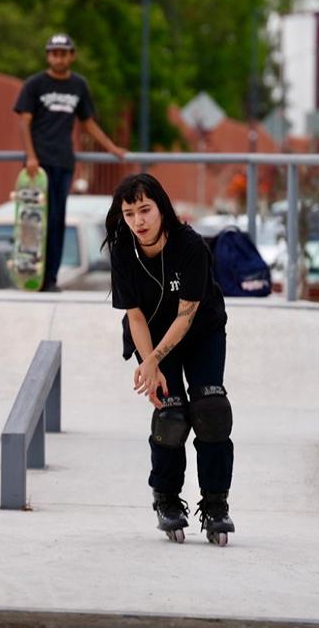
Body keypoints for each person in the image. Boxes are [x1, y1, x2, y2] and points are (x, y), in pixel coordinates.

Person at [103, 173, 235, 544]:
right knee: (171, 414)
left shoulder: (190, 245)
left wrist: (152, 361)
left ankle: (215, 505)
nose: (138, 221)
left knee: (210, 408)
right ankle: (166, 499)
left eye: (145, 210)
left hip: (200, 332)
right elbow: (135, 316)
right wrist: (150, 363)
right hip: (150, 338)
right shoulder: (122, 251)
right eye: (129, 214)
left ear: (162, 208)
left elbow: (187, 313)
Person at [15, 34, 126, 292]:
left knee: (56, 221)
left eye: (63, 53)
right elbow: (25, 122)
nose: (59, 57)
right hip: (37, 165)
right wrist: (30, 156)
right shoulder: (34, 84)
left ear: (72, 56)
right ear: (48, 56)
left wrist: (111, 148)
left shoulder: (78, 85)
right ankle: (31, 274)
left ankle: (50, 278)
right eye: (54, 53)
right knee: (34, 220)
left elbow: (87, 122)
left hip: (63, 161)